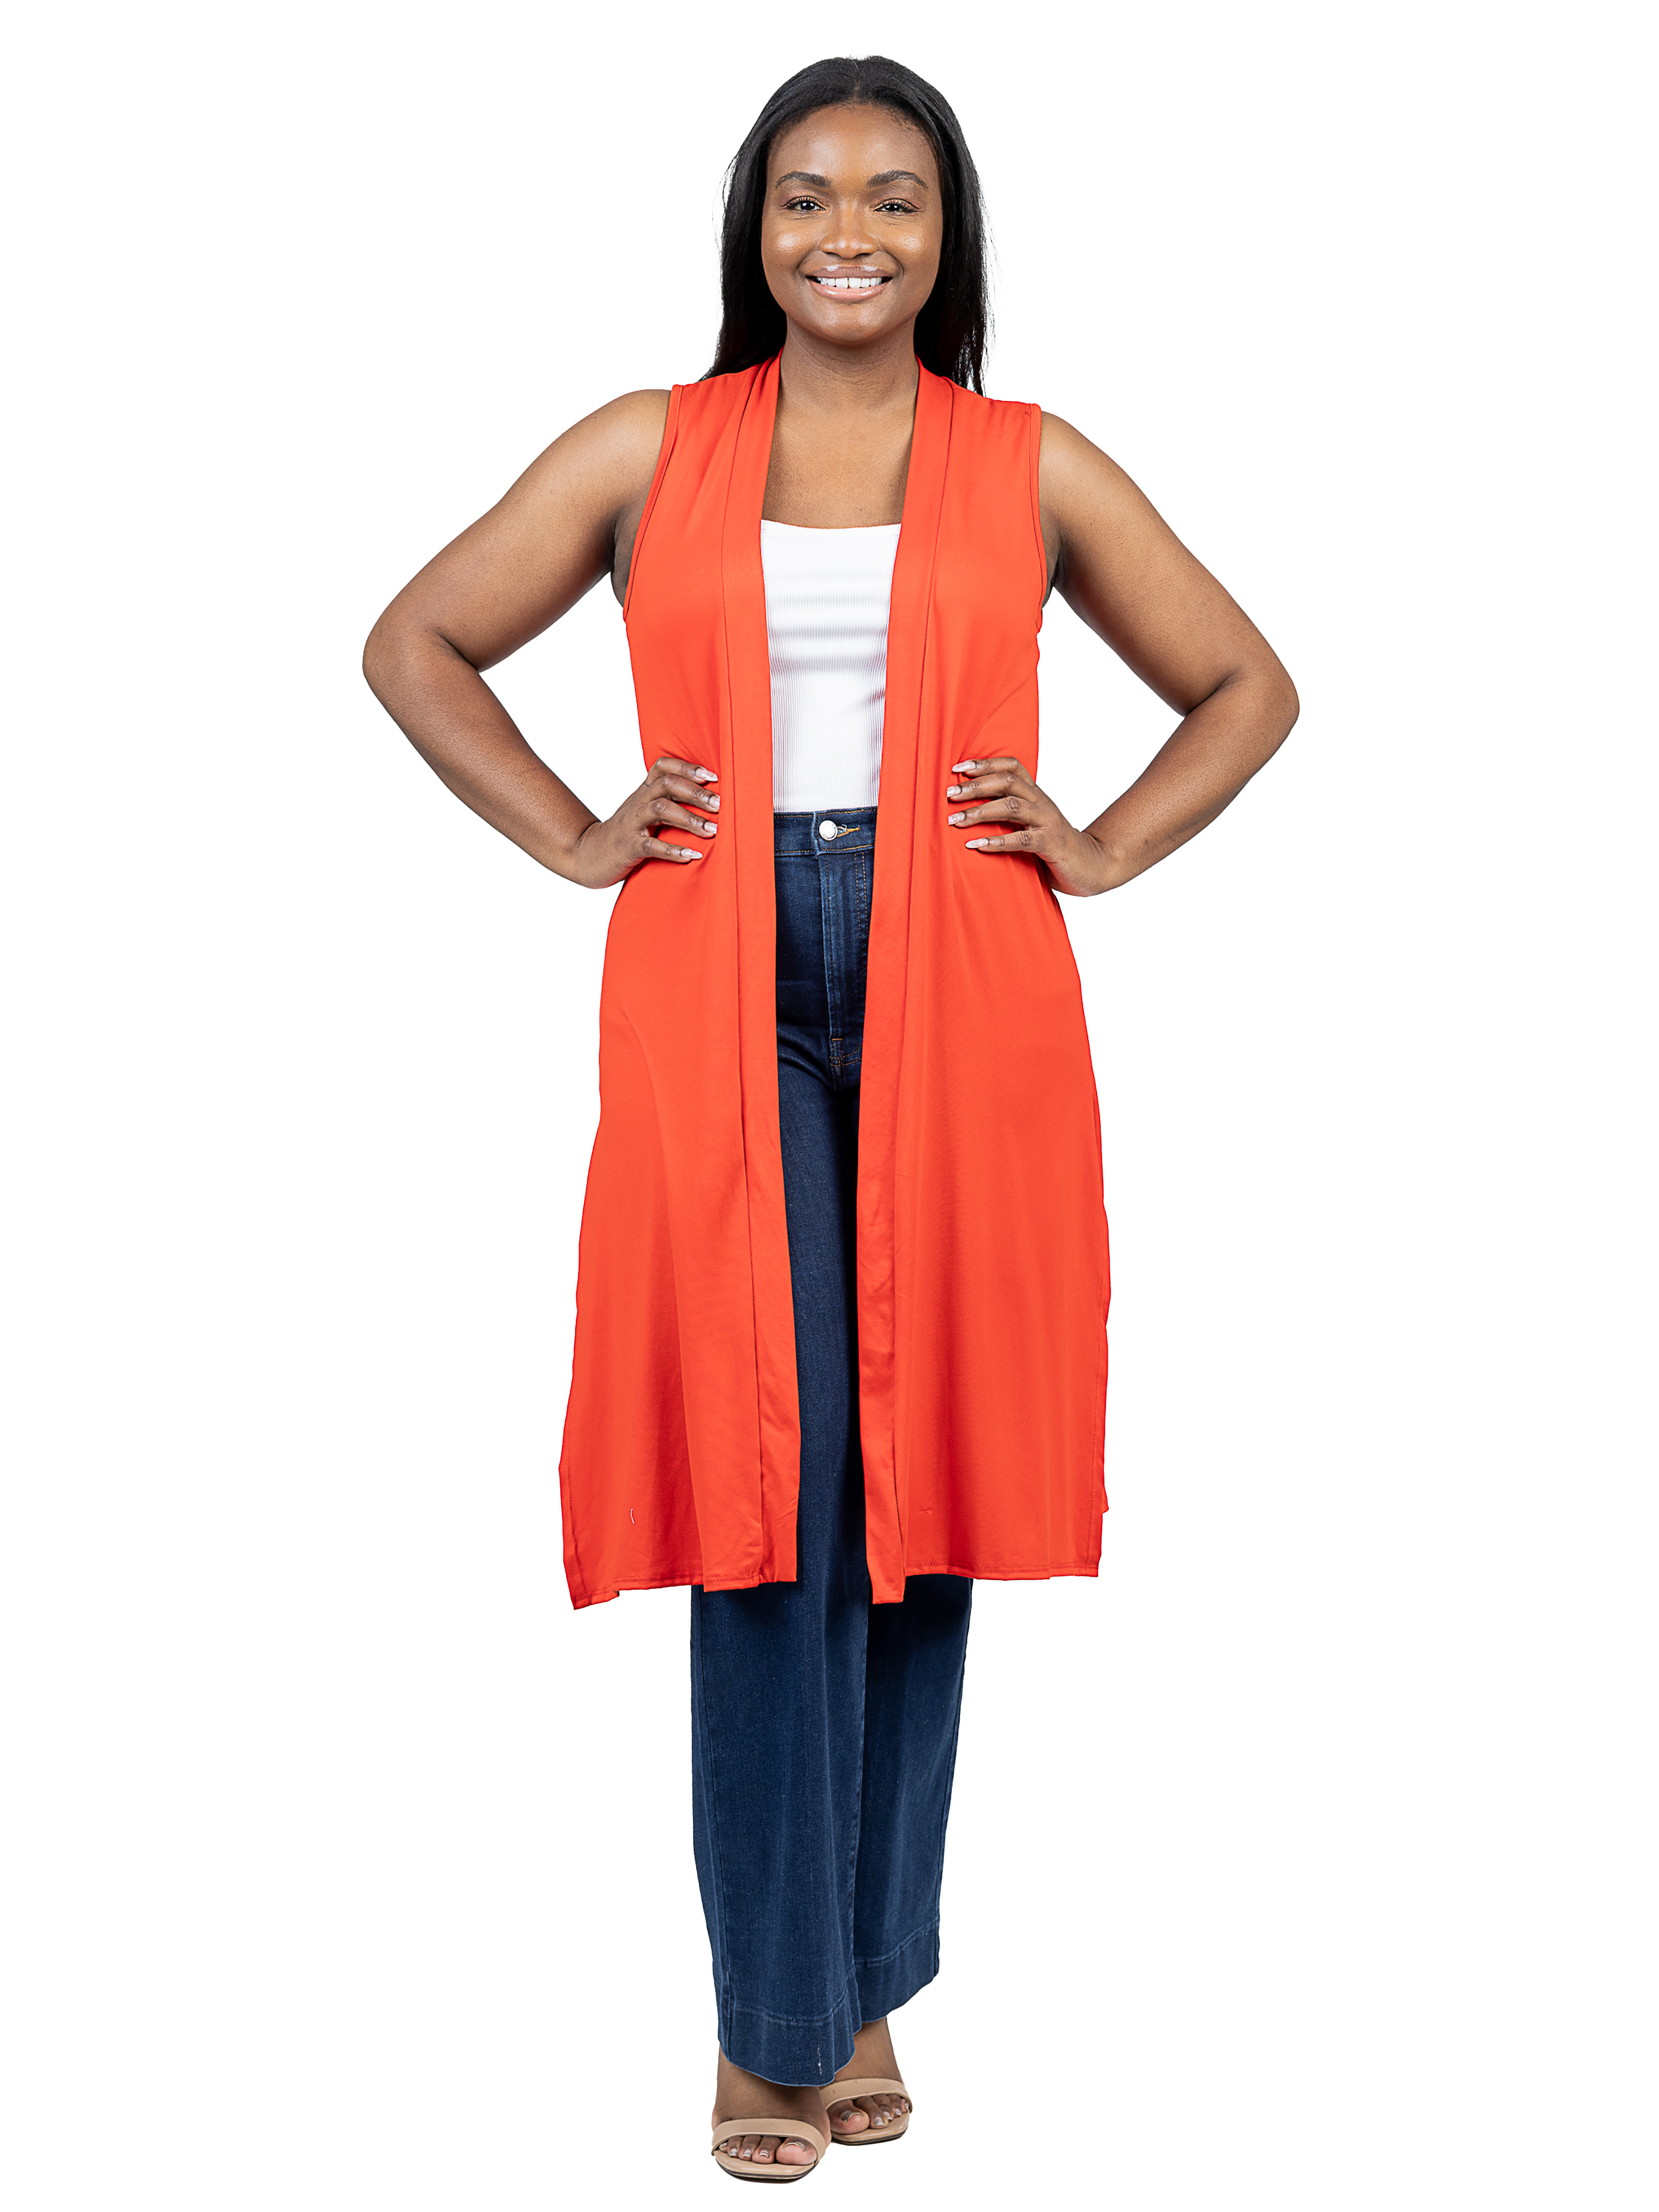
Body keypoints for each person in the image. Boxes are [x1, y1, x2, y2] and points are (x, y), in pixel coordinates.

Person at [363, 53, 1297, 2184]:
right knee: (768, 1476)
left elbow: (1248, 683)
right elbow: (416, 641)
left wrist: (1102, 845)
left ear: (947, 233)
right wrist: (575, 834)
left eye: (892, 197)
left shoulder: (1029, 462)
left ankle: (861, 1978)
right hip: (719, 982)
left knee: (910, 1472)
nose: (848, 233)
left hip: (964, 971)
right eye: (806, 197)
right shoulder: (650, 444)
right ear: (755, 228)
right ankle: (772, 2023)